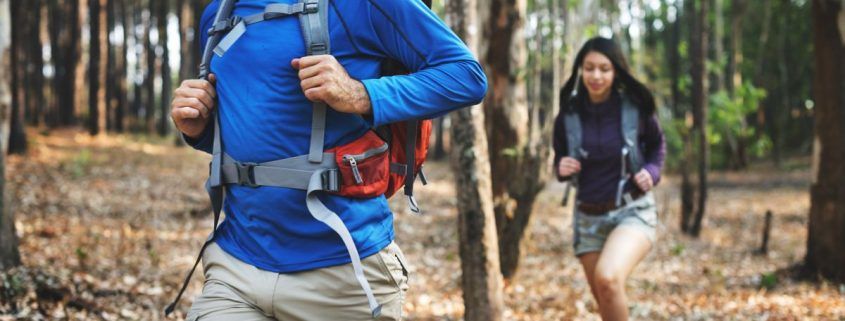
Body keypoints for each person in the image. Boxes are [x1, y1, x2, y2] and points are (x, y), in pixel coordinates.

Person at [169, 0, 486, 320]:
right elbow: (264, 131)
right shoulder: (220, 13)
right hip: (235, 269)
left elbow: (466, 76)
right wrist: (198, 130)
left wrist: (359, 93)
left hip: (344, 276)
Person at [552, 37, 665, 321]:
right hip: (587, 218)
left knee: (608, 279)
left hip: (632, 210)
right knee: (606, 297)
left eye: (604, 68)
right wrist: (560, 167)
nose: (596, 76)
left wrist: (651, 172)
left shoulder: (634, 108)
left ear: (616, 72)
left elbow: (657, 145)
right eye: (589, 68)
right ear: (580, 70)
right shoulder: (569, 114)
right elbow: (560, 157)